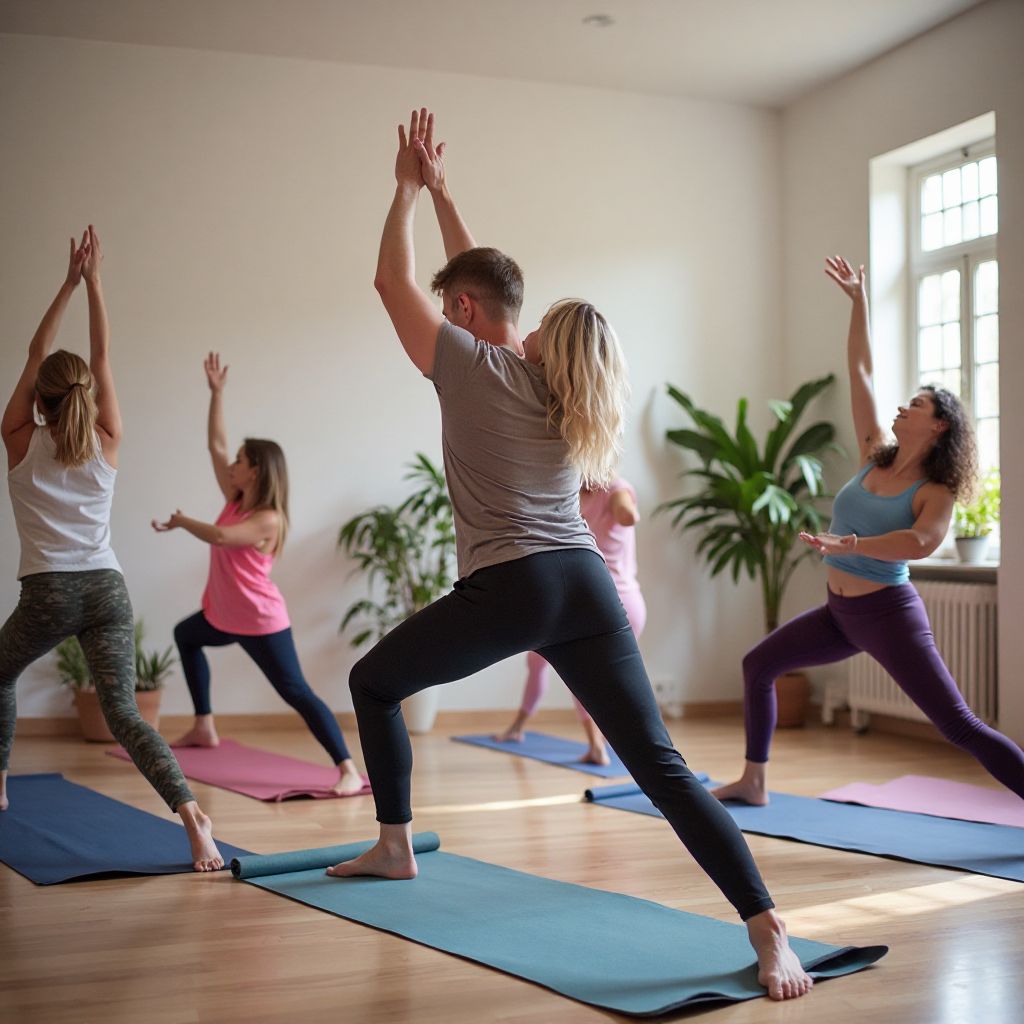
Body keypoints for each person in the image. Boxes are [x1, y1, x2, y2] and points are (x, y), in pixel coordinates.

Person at [326, 108, 814, 1002]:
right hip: (582, 585)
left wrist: (404, 187)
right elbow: (486, 285)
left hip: (512, 586)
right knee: (661, 765)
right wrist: (443, 192)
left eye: (459, 310)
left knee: (373, 683)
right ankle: (766, 924)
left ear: (475, 320)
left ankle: (395, 845)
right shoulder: (561, 395)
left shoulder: (476, 366)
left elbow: (392, 277)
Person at [712, 255, 1024, 807]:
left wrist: (851, 544)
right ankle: (754, 781)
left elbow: (923, 543)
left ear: (939, 425)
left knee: (957, 725)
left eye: (918, 405)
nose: (904, 406)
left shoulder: (935, 489)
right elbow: (862, 372)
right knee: (758, 665)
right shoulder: (872, 453)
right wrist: (859, 303)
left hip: (887, 616)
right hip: (840, 615)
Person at [0, 227, 223, 870]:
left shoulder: (18, 438)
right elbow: (101, 359)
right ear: (87, 399)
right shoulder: (107, 438)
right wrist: (98, 283)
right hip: (105, 589)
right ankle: (191, 817)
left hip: (48, 593)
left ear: (38, 399)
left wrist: (68, 282)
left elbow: (38, 348)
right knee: (126, 714)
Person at [151, 354, 365, 796]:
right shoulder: (236, 496)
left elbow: (223, 538)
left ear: (256, 470)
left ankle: (345, 767)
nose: (232, 463)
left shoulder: (269, 518)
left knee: (296, 691)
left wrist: (183, 521)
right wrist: (216, 393)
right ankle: (204, 725)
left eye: (241, 459)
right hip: (223, 613)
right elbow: (214, 444)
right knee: (185, 636)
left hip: (258, 619)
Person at [495, 480, 645, 764]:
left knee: (582, 673)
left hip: (602, 599)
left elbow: (626, 512)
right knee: (539, 660)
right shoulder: (576, 493)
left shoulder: (615, 489)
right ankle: (518, 727)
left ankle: (597, 746)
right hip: (620, 600)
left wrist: (626, 513)